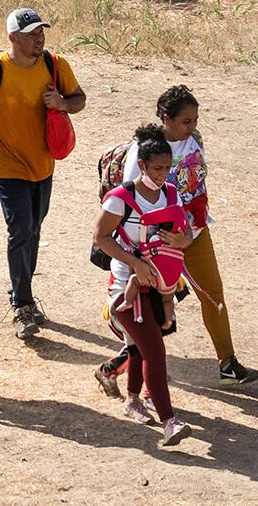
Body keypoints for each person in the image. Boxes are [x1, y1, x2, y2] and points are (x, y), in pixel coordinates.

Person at [99, 86, 258, 390]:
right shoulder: (143, 153)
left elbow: (198, 187)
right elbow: (133, 202)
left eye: (195, 119)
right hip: (155, 243)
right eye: (186, 121)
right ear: (165, 119)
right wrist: (154, 246)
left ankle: (227, 364)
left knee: (212, 294)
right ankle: (116, 369)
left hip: (193, 233)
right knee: (150, 312)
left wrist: (188, 232)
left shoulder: (194, 139)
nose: (192, 126)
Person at [0, 8, 85, 339]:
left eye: (41, 32)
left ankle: (23, 292)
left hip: (43, 165)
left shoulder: (54, 64)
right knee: (21, 229)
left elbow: (79, 99)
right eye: (32, 34)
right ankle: (22, 304)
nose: (39, 38)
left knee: (33, 230)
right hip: (6, 166)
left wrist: (62, 103)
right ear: (13, 38)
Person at [92, 124, 193, 447]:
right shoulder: (120, 199)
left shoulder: (171, 194)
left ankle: (133, 400)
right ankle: (169, 421)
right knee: (154, 350)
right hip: (126, 287)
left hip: (159, 282)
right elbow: (100, 237)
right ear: (142, 165)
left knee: (141, 346)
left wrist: (182, 239)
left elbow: (186, 233)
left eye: (167, 168)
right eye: (157, 168)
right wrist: (134, 262)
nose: (163, 174)